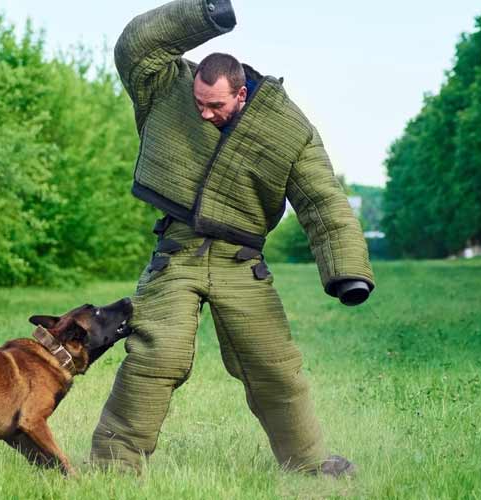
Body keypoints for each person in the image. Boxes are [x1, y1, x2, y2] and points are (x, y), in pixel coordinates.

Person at [89, 0, 375, 477]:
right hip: (176, 252)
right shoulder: (167, 85)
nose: (203, 113)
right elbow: (134, 44)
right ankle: (111, 467)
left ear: (240, 95)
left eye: (215, 106)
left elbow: (324, 201)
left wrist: (347, 271)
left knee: (273, 365)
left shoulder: (288, 130)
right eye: (199, 102)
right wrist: (204, 12)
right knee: (158, 354)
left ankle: (307, 465)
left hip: (240, 260)